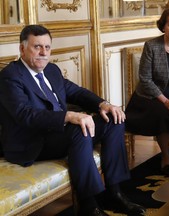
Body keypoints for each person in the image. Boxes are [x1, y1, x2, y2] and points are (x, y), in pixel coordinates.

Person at [0, 25, 146, 216]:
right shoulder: (10, 76)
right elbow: (24, 114)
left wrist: (103, 104)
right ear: (22, 48)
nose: (44, 53)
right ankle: (88, 204)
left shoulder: (51, 70)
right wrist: (68, 116)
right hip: (31, 141)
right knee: (79, 129)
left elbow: (76, 92)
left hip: (58, 134)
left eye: (47, 47)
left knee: (113, 120)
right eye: (37, 47)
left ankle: (114, 193)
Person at [125, 8, 169, 177]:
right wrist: (165, 100)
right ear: (163, 27)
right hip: (152, 94)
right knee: (163, 112)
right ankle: (165, 158)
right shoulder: (151, 46)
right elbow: (145, 79)